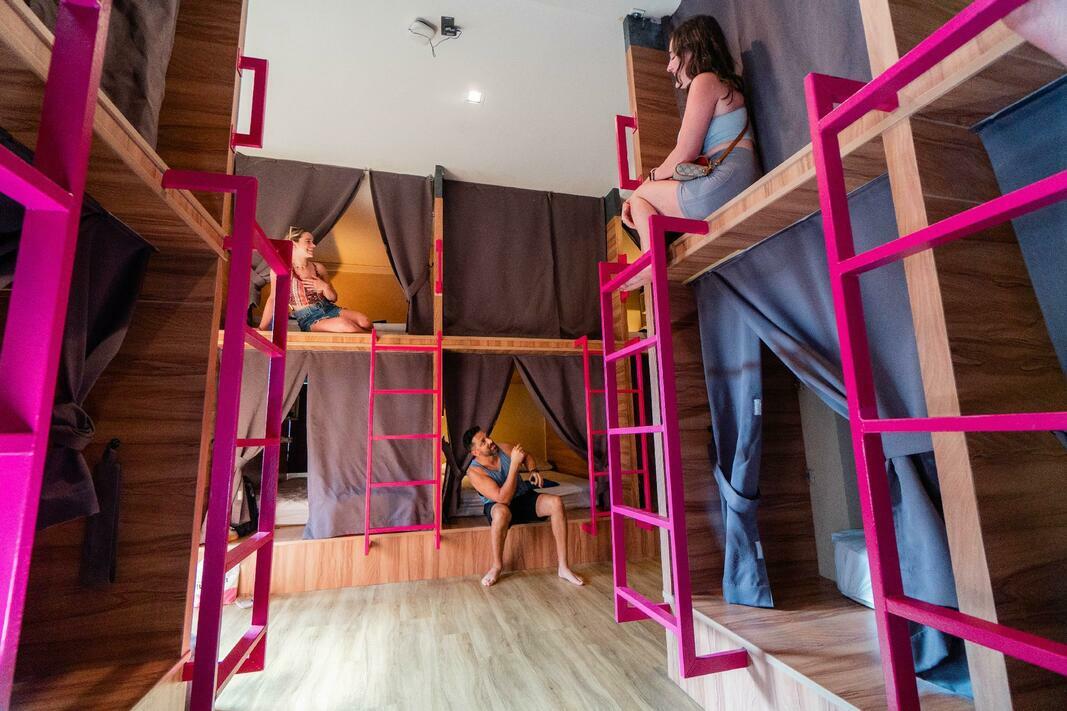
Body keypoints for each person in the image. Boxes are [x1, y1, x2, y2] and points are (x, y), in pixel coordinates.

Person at [621, 15, 761, 283]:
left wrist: (647, 183)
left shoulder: (704, 80)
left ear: (690, 51)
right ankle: (652, 259)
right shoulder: (724, 85)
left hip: (724, 183)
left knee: (639, 199)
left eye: (672, 56)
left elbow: (684, 152)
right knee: (642, 201)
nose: (669, 66)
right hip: (738, 177)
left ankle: (651, 264)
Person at [462, 426, 584, 588]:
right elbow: (503, 498)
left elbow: (527, 455)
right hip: (499, 503)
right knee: (500, 513)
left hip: (522, 496)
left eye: (487, 437)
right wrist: (514, 464)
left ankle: (563, 567)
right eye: (483, 442)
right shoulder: (474, 472)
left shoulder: (504, 448)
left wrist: (533, 470)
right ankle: (497, 566)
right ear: (475, 452)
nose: (490, 441)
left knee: (556, 503)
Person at [259, 227, 373, 333]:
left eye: (312, 242)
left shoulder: (318, 268)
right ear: (293, 244)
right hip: (308, 317)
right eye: (308, 241)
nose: (313, 245)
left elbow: (333, 298)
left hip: (329, 308)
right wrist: (261, 328)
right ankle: (374, 344)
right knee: (345, 325)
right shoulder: (281, 270)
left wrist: (325, 287)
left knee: (366, 322)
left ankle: (372, 341)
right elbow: (273, 299)